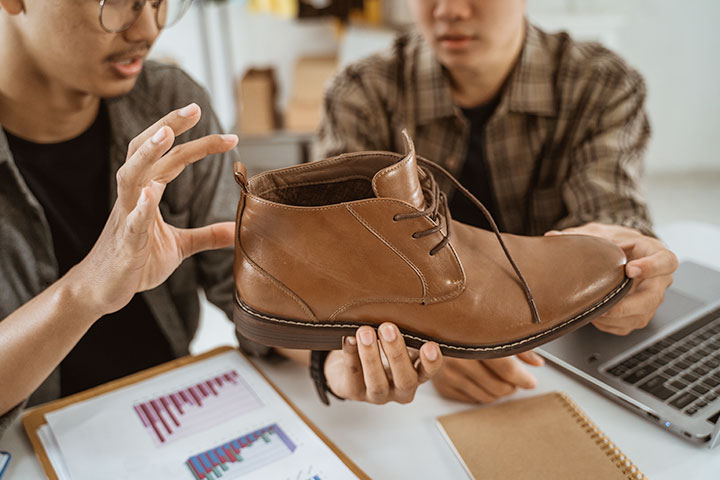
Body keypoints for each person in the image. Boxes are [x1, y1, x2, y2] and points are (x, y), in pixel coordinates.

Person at [0, 0, 443, 439]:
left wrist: (328, 359)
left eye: (159, 3)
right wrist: (86, 291)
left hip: (172, 418)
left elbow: (242, 287)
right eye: (116, 1)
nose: (147, 30)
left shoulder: (169, 105)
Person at [316, 0, 678, 404]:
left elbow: (608, 209)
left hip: (564, 348)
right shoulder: (362, 93)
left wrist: (622, 256)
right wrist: (428, 335)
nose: (449, 10)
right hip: (422, 382)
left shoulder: (600, 83)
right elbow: (345, 255)